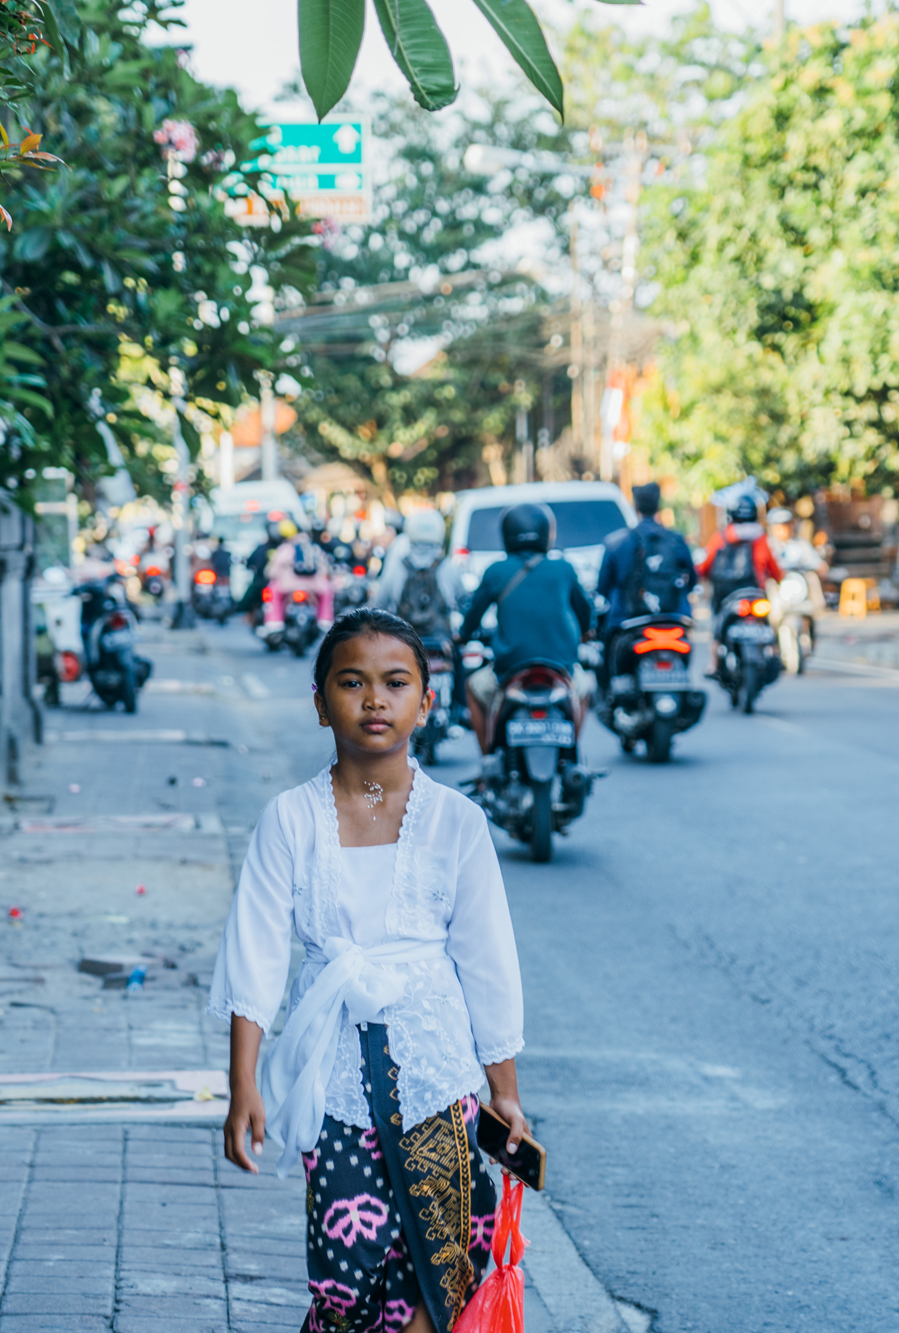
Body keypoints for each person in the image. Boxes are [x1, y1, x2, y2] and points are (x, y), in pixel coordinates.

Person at [212, 608, 527, 1333]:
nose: (375, 700)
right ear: (321, 703)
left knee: (439, 1278)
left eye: (395, 682)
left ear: (427, 700)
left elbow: (488, 960)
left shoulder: (457, 822)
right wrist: (243, 1087)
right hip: (336, 1088)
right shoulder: (288, 820)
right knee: (345, 1279)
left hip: (440, 1079)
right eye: (352, 682)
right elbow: (254, 955)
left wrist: (504, 1092)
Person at [455, 504, 594, 750]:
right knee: (585, 688)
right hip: (561, 667)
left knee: (473, 687)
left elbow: (472, 617)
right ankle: (571, 751)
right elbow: (585, 613)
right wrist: (586, 633)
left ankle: (488, 758)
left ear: (507, 533)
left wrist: (462, 636)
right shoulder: (564, 569)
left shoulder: (495, 571)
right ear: (546, 533)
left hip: (509, 668)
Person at [596, 482, 696, 631]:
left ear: (635, 506)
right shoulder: (677, 540)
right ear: (658, 506)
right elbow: (692, 580)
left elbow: (603, 587)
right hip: (673, 618)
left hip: (626, 621)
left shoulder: (616, 543)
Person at [697, 496, 783, 670]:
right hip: (754, 592)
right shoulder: (760, 537)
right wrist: (779, 579)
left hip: (724, 594)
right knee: (768, 621)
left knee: (718, 628)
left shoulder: (721, 536)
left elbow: (705, 567)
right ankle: (775, 653)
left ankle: (713, 663)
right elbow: (773, 568)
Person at [374, 509, 465, 644]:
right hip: (442, 645)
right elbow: (464, 602)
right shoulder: (449, 568)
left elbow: (379, 605)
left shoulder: (397, 568)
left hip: (405, 646)